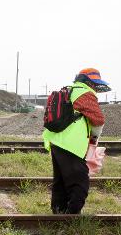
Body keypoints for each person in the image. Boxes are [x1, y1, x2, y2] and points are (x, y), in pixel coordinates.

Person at [43, 68, 110, 214]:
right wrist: (94, 140)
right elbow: (98, 121)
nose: (95, 88)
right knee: (79, 181)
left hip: (56, 141)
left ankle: (58, 212)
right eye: (95, 84)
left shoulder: (70, 90)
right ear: (89, 83)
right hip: (70, 144)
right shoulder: (85, 93)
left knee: (60, 180)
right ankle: (72, 216)